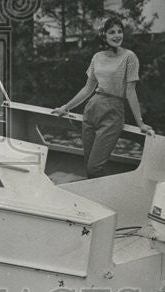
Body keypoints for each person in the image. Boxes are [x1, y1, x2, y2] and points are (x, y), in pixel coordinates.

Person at [52, 17, 153, 178]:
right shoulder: (97, 57)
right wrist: (66, 107)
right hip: (92, 109)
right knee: (88, 164)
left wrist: (140, 122)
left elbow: (130, 91)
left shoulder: (129, 57)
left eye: (120, 31)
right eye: (112, 32)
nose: (117, 35)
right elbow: (87, 88)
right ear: (104, 35)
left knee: (94, 168)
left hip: (112, 112)